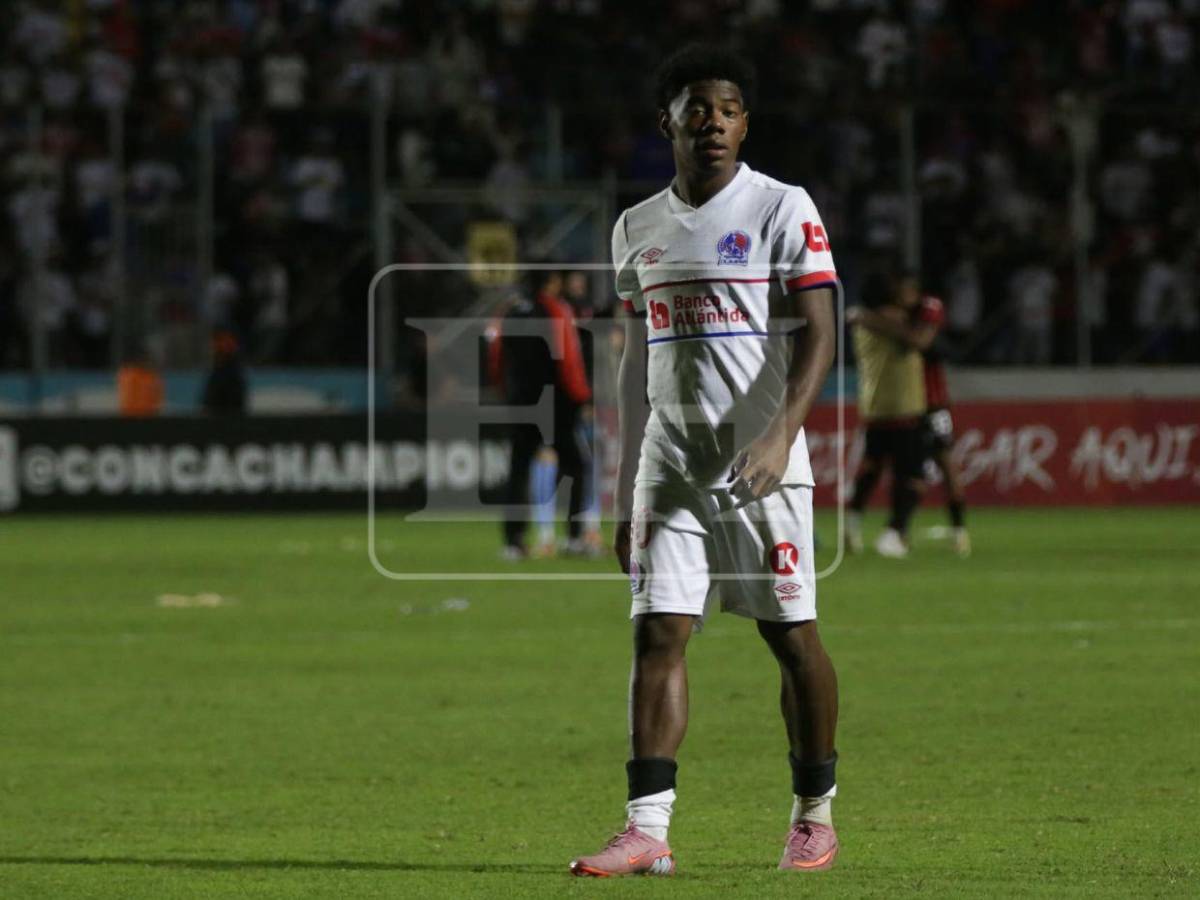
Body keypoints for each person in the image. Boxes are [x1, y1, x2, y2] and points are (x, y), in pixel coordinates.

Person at [569, 45, 840, 877]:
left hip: (762, 464)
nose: (711, 121)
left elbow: (825, 334)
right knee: (658, 633)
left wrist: (781, 433)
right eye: (697, 108)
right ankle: (647, 829)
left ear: (744, 123)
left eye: (726, 109)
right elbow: (631, 361)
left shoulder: (781, 207)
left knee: (790, 637)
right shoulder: (636, 226)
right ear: (669, 123)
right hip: (671, 465)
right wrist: (623, 486)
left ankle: (813, 811)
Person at [488, 270, 593, 558]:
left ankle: (513, 542)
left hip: (521, 401)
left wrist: (505, 392)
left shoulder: (509, 311)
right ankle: (574, 538)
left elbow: (495, 356)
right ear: (552, 281)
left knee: (518, 470)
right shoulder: (555, 310)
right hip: (556, 403)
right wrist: (581, 398)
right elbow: (569, 360)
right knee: (577, 466)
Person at [845, 269, 932, 558]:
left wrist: (862, 315)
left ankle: (852, 523)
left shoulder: (861, 321)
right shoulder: (896, 321)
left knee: (871, 468)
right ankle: (894, 533)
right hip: (905, 407)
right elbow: (919, 341)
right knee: (912, 477)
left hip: (874, 407)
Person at [911, 284, 971, 557]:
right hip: (911, 408)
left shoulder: (919, 330)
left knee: (945, 468)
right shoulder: (905, 320)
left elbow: (926, 343)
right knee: (915, 472)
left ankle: (959, 532)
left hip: (934, 409)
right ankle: (898, 532)